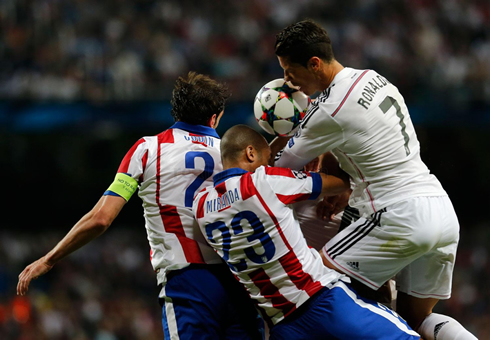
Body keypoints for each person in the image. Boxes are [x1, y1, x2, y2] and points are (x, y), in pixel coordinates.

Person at [17, 72, 263, 340]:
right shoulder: (234, 154)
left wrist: (49, 258)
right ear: (216, 117)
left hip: (187, 281)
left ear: (176, 112)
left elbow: (101, 218)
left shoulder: (147, 149)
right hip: (241, 280)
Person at [271, 19, 477, 340]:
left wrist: (278, 136)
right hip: (440, 211)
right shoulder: (373, 77)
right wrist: (340, 172)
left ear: (314, 64)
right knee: (417, 319)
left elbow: (281, 167)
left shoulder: (325, 110)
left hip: (398, 215)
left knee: (319, 285)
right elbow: (350, 136)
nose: (287, 81)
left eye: (288, 70)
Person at [192, 124, 421, 340]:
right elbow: (340, 183)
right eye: (269, 159)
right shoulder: (265, 181)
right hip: (323, 302)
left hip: (282, 327)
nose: (271, 164)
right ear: (250, 153)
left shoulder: (200, 207)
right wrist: (320, 152)